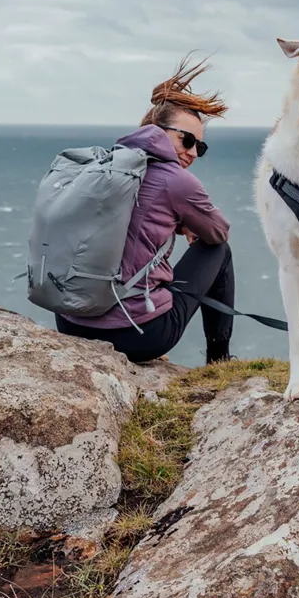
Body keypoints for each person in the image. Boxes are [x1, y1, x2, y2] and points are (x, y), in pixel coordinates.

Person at [54, 55, 235, 365]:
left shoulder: (109, 163)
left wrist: (178, 223)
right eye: (187, 140)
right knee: (219, 251)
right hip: (137, 335)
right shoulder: (178, 181)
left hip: (71, 322)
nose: (193, 152)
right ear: (158, 131)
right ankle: (219, 360)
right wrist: (188, 223)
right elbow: (219, 231)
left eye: (200, 147)